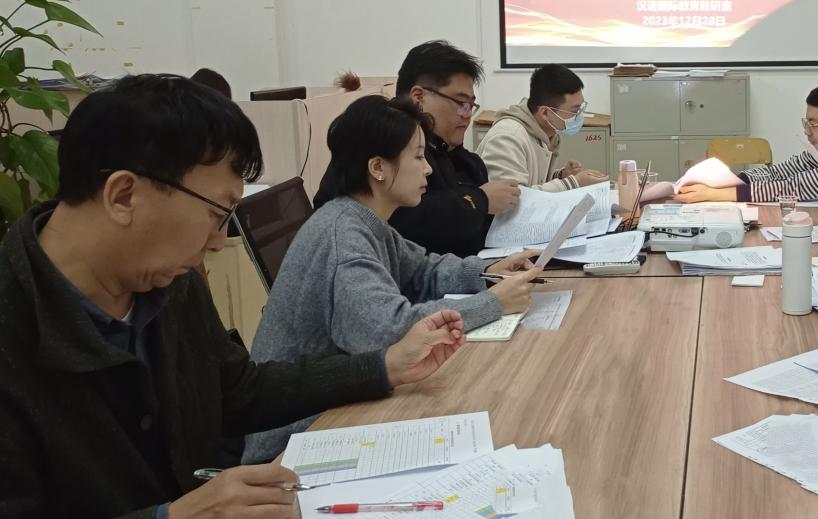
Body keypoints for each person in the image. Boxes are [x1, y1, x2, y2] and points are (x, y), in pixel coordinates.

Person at [0, 74, 467, 518]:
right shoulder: (17, 329)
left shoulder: (165, 280)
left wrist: (383, 366)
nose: (217, 240)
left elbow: (238, 391)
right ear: (124, 196)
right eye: (217, 213)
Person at [246, 95, 538, 462]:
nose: (428, 169)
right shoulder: (343, 236)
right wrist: (493, 303)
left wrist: (487, 273)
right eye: (417, 157)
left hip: (339, 407)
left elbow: (426, 270)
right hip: (295, 437)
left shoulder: (363, 220)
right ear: (378, 168)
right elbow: (390, 331)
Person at [316, 40, 521, 256]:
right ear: (418, 98)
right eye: (460, 103)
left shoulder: (459, 158)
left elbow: (424, 266)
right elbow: (407, 222)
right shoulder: (376, 139)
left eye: (471, 105)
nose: (467, 115)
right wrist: (480, 201)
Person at [676, 81, 818, 204]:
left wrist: (715, 194)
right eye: (806, 122)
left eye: (814, 124)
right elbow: (784, 171)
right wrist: (728, 181)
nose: (807, 131)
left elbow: (795, 187)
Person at [476, 64, 607, 191]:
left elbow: (534, 182)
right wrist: (574, 183)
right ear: (545, 113)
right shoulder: (507, 139)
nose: (579, 115)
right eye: (574, 110)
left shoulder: (544, 132)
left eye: (581, 108)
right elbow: (514, 198)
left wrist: (561, 176)